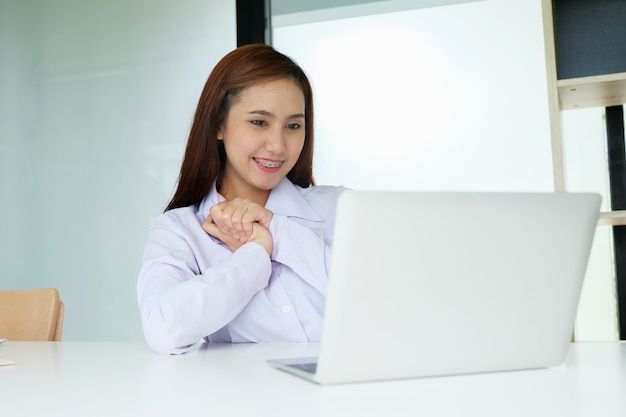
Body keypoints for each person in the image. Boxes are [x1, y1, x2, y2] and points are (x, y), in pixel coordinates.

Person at [137, 44, 346, 354]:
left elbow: (384, 301)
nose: (277, 145)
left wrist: (278, 231)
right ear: (219, 124)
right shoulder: (180, 230)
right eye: (259, 122)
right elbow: (164, 330)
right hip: (244, 400)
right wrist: (255, 255)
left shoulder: (340, 209)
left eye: (293, 126)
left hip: (348, 398)